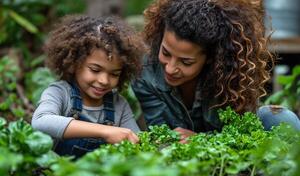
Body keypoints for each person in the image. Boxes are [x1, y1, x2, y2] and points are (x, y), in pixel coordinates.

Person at [132, 0, 300, 141]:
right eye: (166, 53)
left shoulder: (231, 75)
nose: (170, 68)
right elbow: (161, 132)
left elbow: (240, 134)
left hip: (228, 154)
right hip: (179, 159)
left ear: (211, 58)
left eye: (186, 62)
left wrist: (200, 139)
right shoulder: (144, 69)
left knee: (281, 118)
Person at [32, 15, 144, 158]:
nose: (104, 80)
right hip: (56, 175)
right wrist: (105, 131)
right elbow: (41, 121)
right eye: (95, 70)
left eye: (114, 74)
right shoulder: (60, 93)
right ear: (73, 63)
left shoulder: (119, 105)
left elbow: (136, 142)